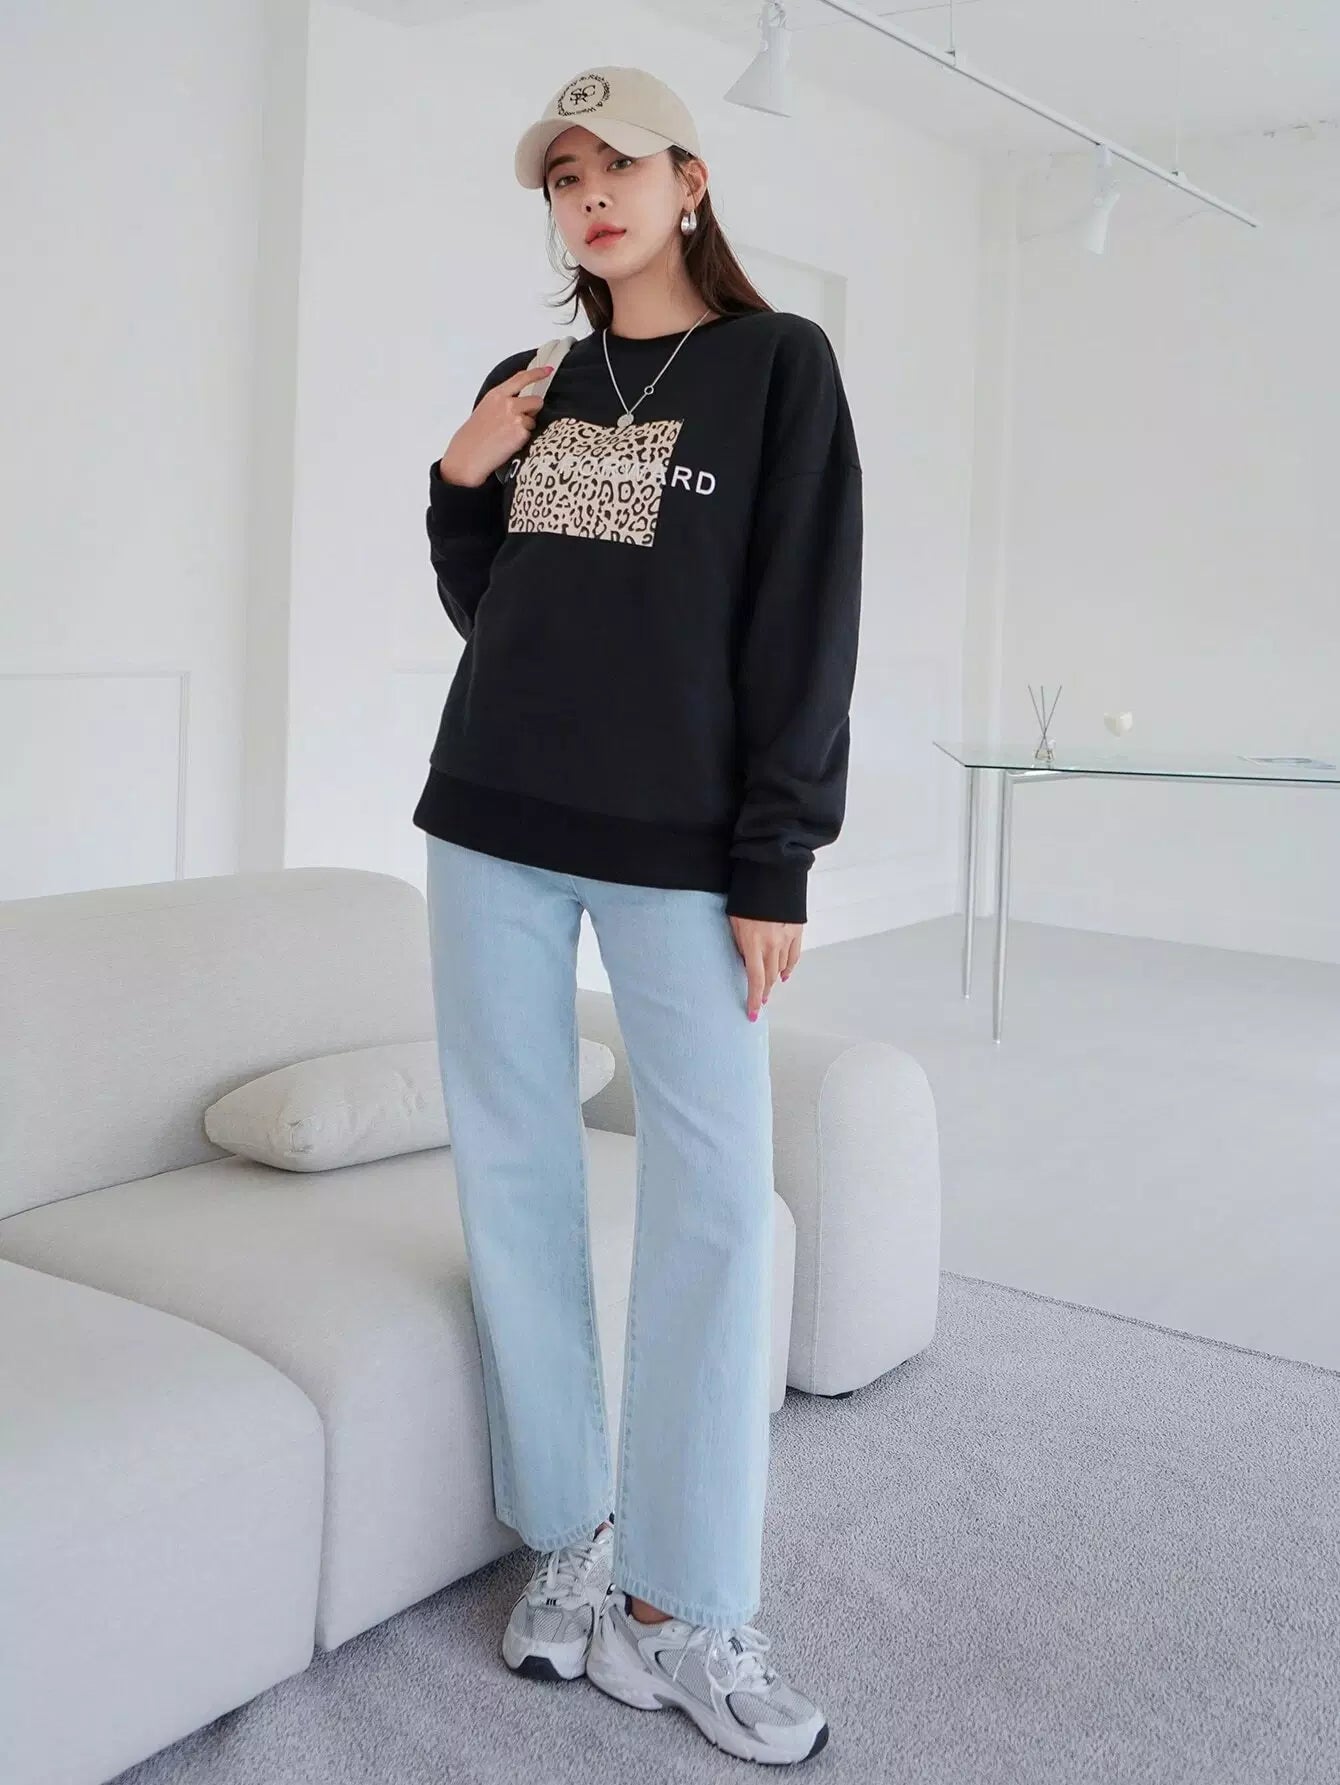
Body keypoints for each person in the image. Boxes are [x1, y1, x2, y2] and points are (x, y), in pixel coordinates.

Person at [414, 64, 862, 1767]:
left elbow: (803, 616)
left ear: (691, 181)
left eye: (620, 165)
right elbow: (504, 610)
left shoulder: (776, 366)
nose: (589, 196)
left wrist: (777, 854)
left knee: (718, 1204)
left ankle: (683, 1606)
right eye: (563, 176)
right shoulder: (530, 380)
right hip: (491, 823)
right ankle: (571, 1536)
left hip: (683, 847)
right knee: (515, 1172)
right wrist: (459, 477)